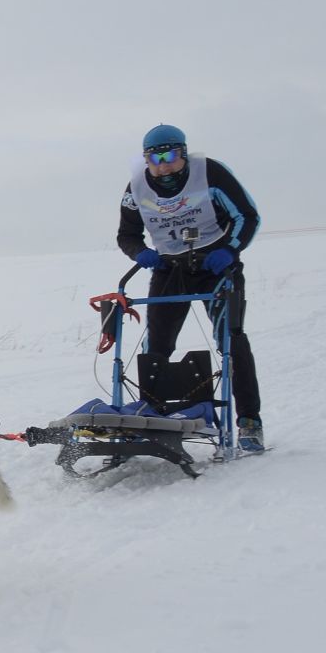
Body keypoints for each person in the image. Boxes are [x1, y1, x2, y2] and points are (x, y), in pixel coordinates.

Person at [117, 123, 265, 452]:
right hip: (170, 268)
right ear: (145, 160)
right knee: (157, 346)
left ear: (183, 153)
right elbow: (126, 234)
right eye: (154, 158)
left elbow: (247, 215)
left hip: (216, 266)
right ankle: (149, 416)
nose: (163, 164)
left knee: (231, 340)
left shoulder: (210, 172)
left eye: (171, 155)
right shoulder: (136, 187)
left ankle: (249, 421)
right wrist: (140, 253)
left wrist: (229, 248)